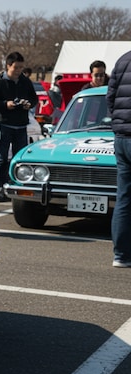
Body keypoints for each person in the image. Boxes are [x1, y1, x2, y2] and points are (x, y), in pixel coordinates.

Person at [0, 52, 37, 200]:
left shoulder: (25, 81)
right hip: (4, 123)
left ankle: (19, 183)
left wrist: (28, 104)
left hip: (21, 124)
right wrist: (6, 104)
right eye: (15, 67)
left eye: (21, 68)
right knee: (2, 157)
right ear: (8, 66)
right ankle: (1, 184)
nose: (18, 71)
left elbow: (34, 98)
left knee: (20, 158)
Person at [107, 48, 131, 267]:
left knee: (124, 197)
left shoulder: (122, 60)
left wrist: (118, 125)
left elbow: (110, 97)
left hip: (121, 137)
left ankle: (121, 254)